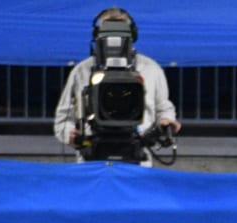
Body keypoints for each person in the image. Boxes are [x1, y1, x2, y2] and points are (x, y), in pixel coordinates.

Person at [53, 7, 181, 165]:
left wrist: (166, 122)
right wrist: (69, 134)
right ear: (97, 35)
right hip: (92, 160)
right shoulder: (81, 71)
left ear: (132, 35)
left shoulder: (151, 69)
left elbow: (163, 107)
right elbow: (63, 118)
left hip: (137, 158)